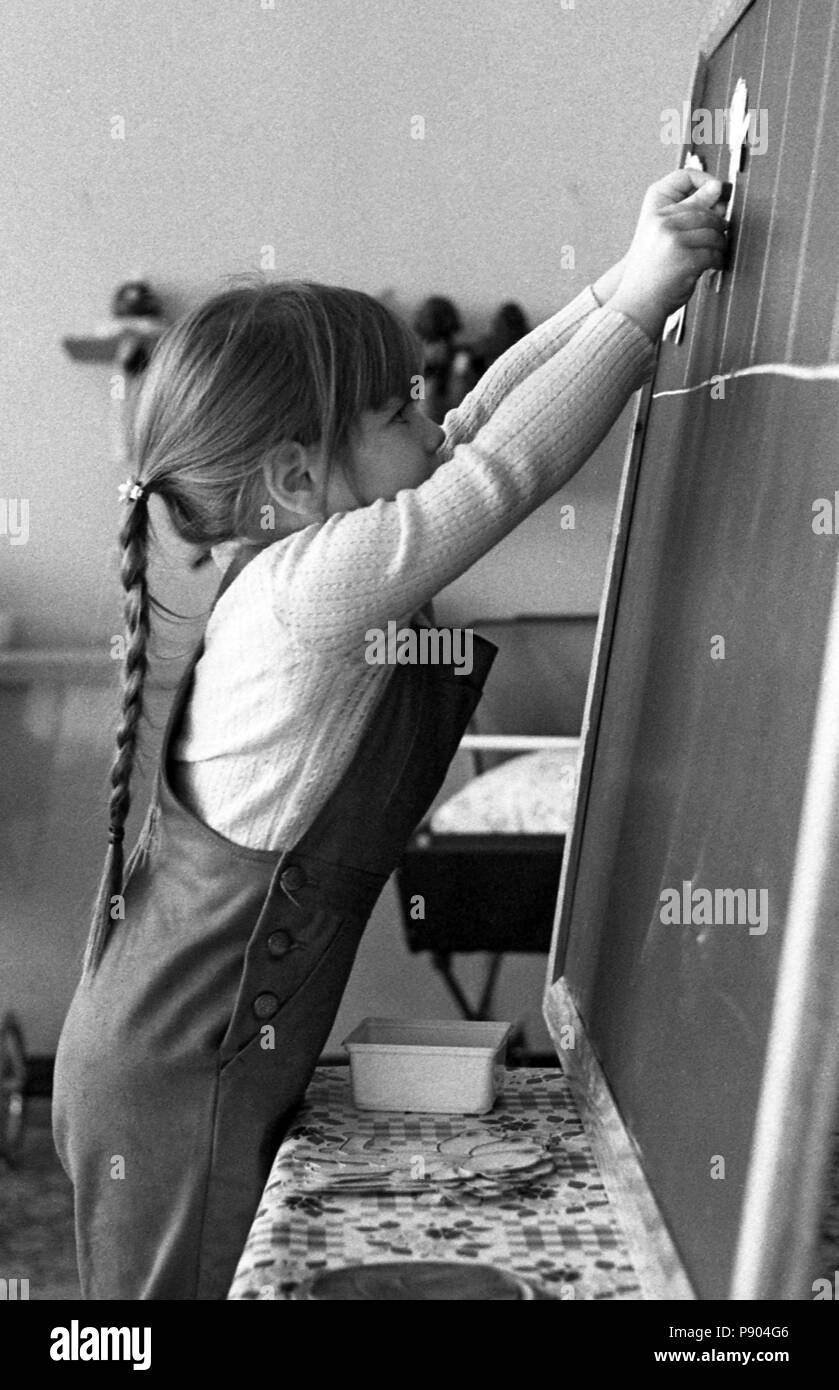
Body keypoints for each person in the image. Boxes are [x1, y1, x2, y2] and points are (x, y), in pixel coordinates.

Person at [52, 168, 728, 1299]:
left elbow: (471, 431)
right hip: (174, 1083)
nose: (430, 417)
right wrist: (637, 300)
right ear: (295, 475)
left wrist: (622, 281)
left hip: (165, 1058)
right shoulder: (308, 592)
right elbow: (500, 472)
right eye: (394, 411)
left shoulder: (299, 559)